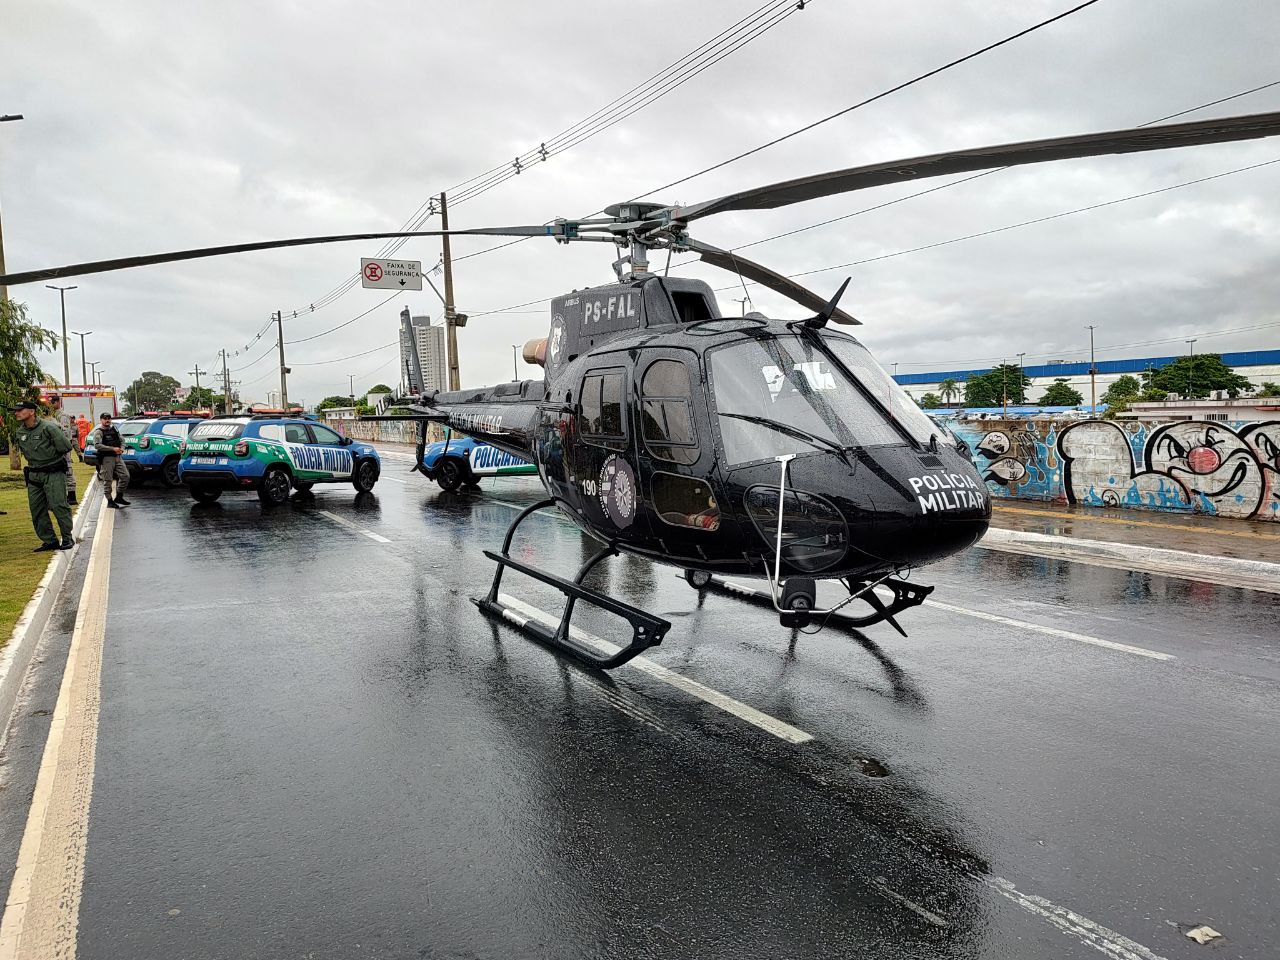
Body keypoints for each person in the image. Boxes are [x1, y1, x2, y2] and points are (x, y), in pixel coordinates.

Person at [11, 400, 75, 551]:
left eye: (20, 410)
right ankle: (49, 540)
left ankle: (67, 538)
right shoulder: (20, 432)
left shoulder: (49, 427)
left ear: (32, 411)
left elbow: (65, 447)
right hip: (34, 474)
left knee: (58, 505)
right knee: (37, 509)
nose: (17, 413)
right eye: (16, 410)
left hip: (52, 472)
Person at [87, 412, 131, 508]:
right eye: (105, 418)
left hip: (117, 457)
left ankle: (119, 496)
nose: (107, 420)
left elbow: (122, 440)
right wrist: (112, 449)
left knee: (125, 476)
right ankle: (110, 501)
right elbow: (97, 445)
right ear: (101, 420)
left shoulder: (114, 429)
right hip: (107, 458)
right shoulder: (99, 432)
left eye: (109, 418)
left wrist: (122, 448)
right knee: (108, 480)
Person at [47, 394, 78, 505]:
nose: (50, 405)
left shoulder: (63, 415)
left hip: (63, 447)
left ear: (58, 402)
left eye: (52, 403)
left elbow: (64, 433)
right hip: (54, 448)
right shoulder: (52, 415)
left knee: (67, 470)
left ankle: (72, 496)